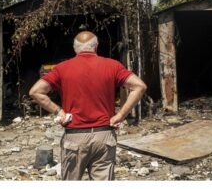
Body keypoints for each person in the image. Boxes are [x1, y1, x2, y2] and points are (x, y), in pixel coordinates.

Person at [29, 31, 147, 180]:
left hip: (75, 137)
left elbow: (35, 91)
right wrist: (121, 115)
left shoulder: (62, 68)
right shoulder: (113, 65)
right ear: (96, 47)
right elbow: (139, 86)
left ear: (74, 48)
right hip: (104, 136)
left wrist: (59, 111)